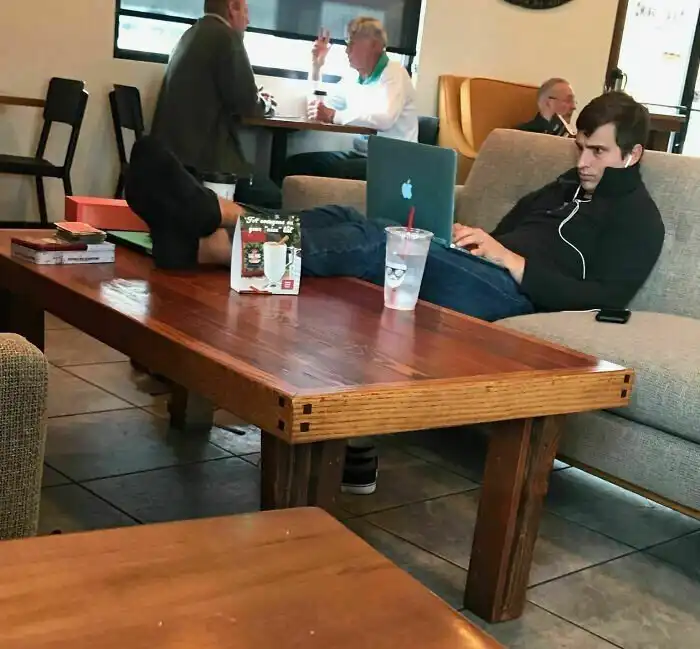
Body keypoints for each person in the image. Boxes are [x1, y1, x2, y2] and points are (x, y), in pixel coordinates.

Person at [125, 91, 664, 494]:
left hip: (511, 293)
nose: (583, 162)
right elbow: (509, 229)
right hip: (481, 267)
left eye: (598, 152)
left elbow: (606, 294)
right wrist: (474, 238)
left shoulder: (638, 218)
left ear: (633, 154)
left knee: (372, 245)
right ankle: (208, 229)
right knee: (346, 217)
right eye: (580, 148)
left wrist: (509, 260)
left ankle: (209, 231)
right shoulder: (565, 185)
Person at [150, 0, 281, 208]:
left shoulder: (190, 34)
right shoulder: (226, 37)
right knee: (274, 197)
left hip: (173, 158)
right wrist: (267, 104)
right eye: (246, 11)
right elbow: (248, 104)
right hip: (203, 165)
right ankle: (243, 231)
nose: (248, 20)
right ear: (232, 8)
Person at [281, 17, 419, 182]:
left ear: (375, 46)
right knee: (297, 165)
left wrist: (334, 115)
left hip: (394, 162)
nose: (347, 50)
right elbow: (322, 107)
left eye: (352, 44)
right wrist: (316, 67)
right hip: (362, 155)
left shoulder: (394, 72)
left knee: (333, 172)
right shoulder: (353, 77)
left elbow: (385, 119)